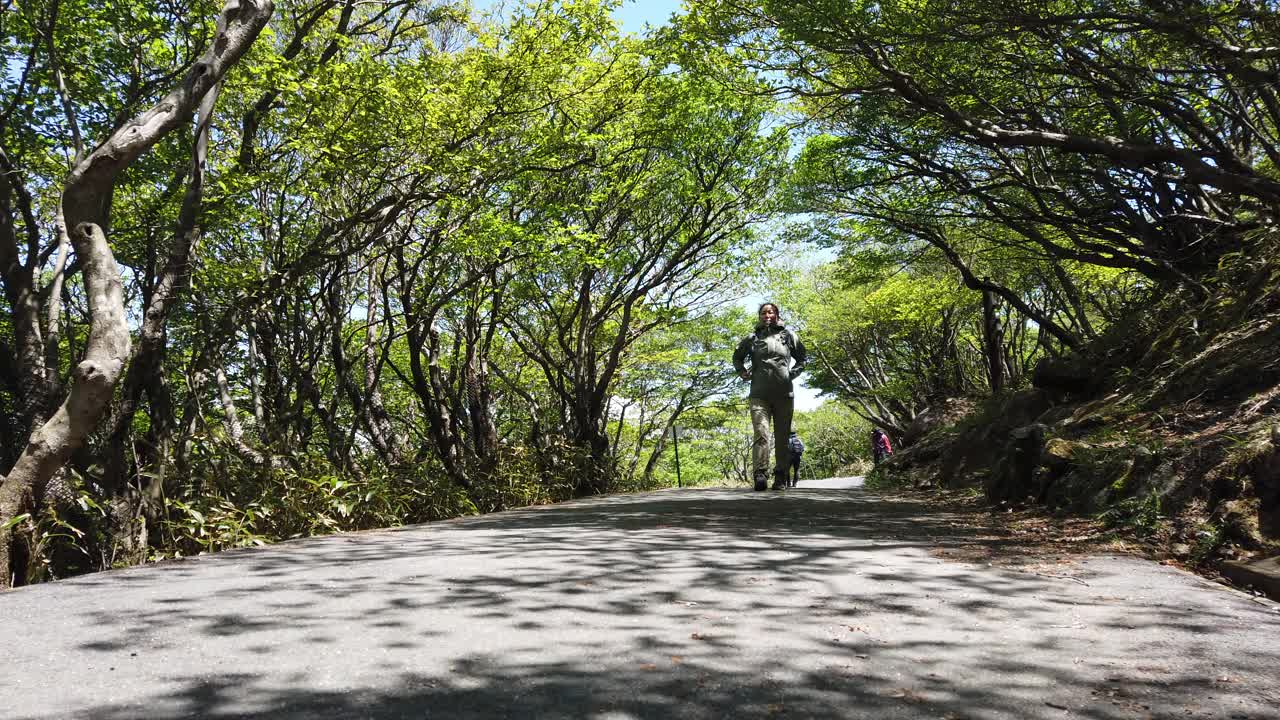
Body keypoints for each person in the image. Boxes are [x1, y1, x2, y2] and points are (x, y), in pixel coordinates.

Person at [733, 302, 807, 491]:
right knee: (761, 434)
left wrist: (791, 374)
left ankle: (781, 476)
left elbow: (803, 358)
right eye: (764, 312)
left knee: (782, 437)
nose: (768, 315)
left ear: (777, 315)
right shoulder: (752, 338)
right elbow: (737, 357)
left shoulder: (789, 336)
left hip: (784, 394)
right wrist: (742, 372)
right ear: (760, 316)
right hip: (759, 394)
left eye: (771, 312)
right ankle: (760, 474)